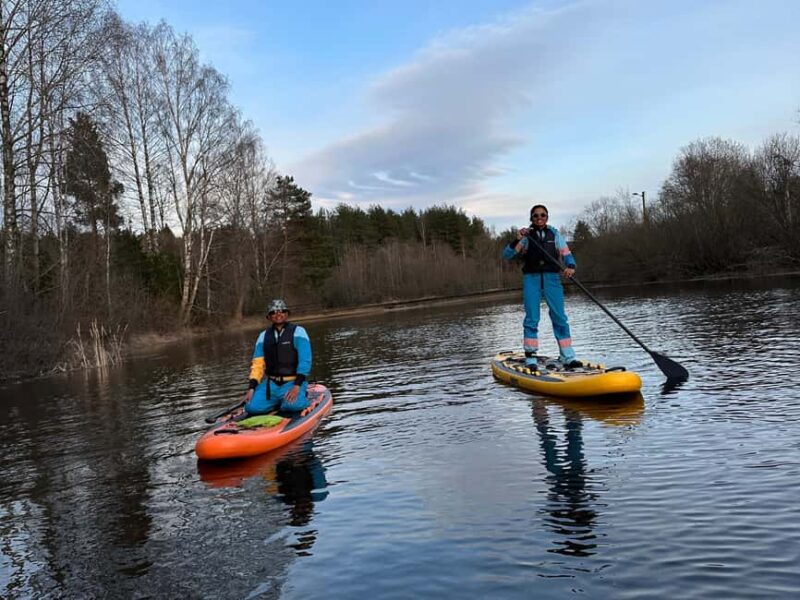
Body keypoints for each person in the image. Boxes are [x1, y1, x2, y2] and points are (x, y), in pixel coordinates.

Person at [502, 204, 581, 369]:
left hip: (552, 279)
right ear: (531, 218)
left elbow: (567, 255)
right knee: (532, 319)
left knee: (560, 317)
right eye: (536, 216)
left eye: (543, 215)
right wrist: (517, 238)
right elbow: (507, 255)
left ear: (547, 217)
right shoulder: (526, 237)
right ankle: (531, 356)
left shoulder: (555, 234)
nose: (539, 218)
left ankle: (567, 356)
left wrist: (571, 267)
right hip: (532, 279)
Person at [244, 299, 312, 414]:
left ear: (287, 314)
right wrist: (252, 388)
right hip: (271, 385)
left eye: (281, 311)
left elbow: (305, 361)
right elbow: (258, 365)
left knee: (292, 406)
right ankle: (276, 402)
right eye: (273, 312)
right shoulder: (263, 337)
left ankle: (301, 396)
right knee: (250, 407)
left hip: (293, 382)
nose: (278, 314)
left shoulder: (299, 332)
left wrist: (297, 386)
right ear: (269, 317)